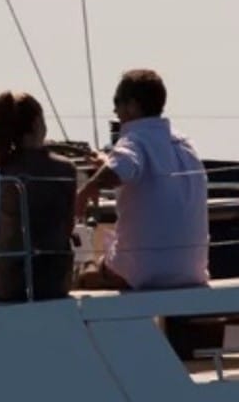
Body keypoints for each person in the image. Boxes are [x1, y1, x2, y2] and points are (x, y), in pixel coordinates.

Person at [75, 68, 209, 290]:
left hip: (143, 272)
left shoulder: (134, 139)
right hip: (191, 271)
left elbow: (120, 168)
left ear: (133, 105)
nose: (115, 110)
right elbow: (135, 163)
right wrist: (106, 161)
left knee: (82, 275)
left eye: (117, 102)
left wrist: (87, 190)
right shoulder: (185, 144)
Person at [0, 90, 77, 301]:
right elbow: (68, 227)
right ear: (37, 123)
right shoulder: (65, 169)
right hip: (54, 282)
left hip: (6, 284)